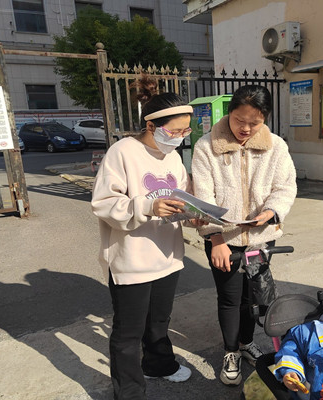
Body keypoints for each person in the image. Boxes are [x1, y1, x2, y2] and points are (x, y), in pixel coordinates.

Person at [91, 79, 201, 400]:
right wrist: (147, 206)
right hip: (131, 258)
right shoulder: (123, 152)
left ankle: (158, 364)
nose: (180, 137)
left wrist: (193, 214)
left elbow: (180, 199)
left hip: (167, 255)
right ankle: (129, 392)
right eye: (175, 131)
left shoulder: (173, 158)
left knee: (159, 322)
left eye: (185, 131)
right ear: (151, 126)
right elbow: (103, 204)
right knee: (129, 332)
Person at [192, 84, 297, 386]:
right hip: (224, 240)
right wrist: (215, 238)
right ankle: (230, 352)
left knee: (253, 297)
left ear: (265, 118)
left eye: (255, 122)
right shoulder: (207, 146)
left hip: (260, 238)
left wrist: (271, 212)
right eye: (240, 120)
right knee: (229, 298)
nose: (246, 128)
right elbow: (203, 196)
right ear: (229, 113)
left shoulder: (276, 146)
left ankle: (246, 343)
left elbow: (285, 186)